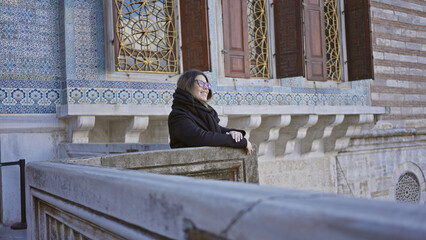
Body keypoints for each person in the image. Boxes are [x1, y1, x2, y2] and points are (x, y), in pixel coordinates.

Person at [168, 69, 253, 154]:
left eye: (207, 85)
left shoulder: (201, 112)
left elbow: (215, 130)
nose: (206, 88)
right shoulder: (178, 115)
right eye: (201, 83)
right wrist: (240, 142)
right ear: (187, 85)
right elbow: (201, 137)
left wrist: (234, 133)